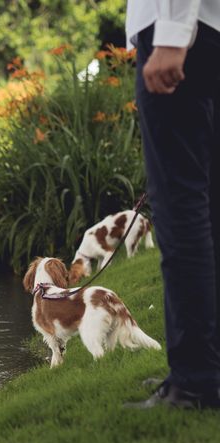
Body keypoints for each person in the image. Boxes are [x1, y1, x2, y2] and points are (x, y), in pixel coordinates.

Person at [126, 0, 220, 409]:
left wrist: (171, 35)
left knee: (180, 208)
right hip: (209, 31)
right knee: (207, 206)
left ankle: (195, 379)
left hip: (182, 28)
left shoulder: (174, 33)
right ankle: (205, 369)